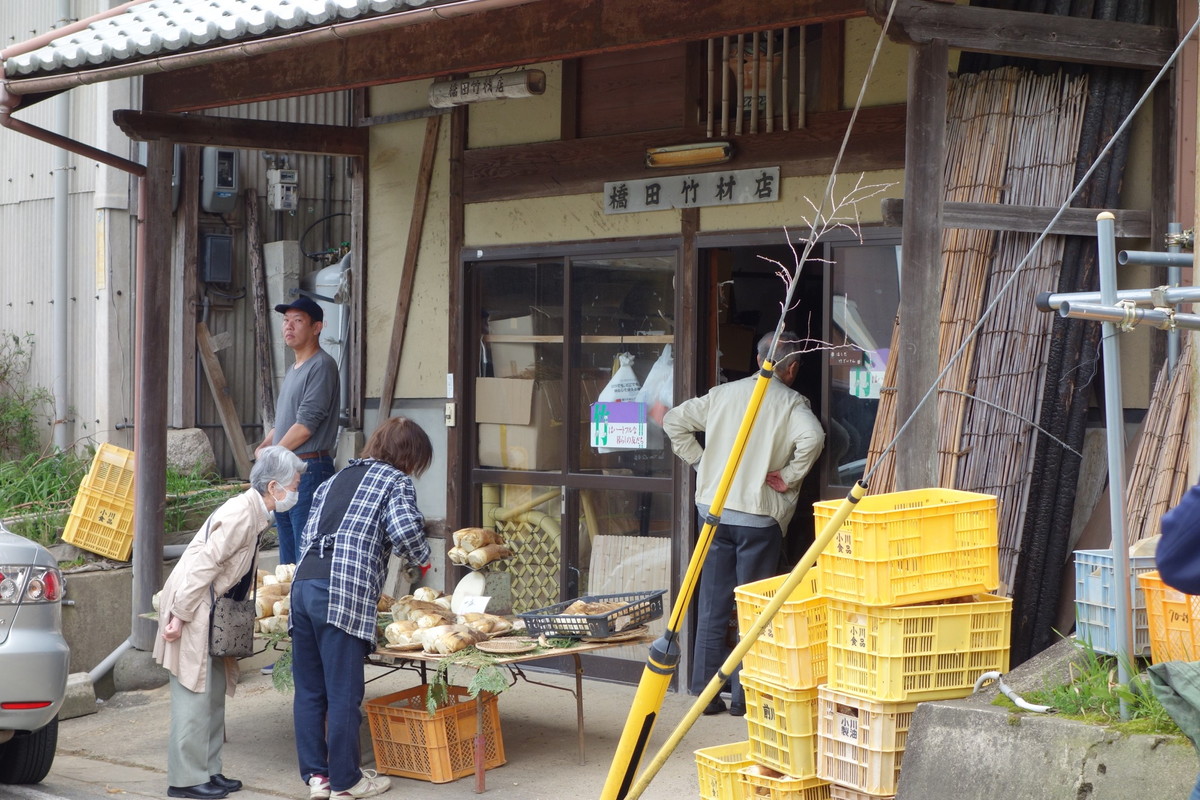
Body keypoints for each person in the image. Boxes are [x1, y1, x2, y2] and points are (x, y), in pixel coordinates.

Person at [662, 331, 824, 716]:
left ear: (757, 359)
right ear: (793, 368)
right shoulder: (791, 404)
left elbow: (673, 421)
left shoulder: (723, 395)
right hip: (759, 520)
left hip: (716, 514)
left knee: (713, 603)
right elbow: (814, 438)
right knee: (753, 609)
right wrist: (789, 475)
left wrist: (703, 464)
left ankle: (705, 693)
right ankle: (743, 697)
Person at [289, 416, 434, 800]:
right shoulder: (394, 480)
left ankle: (317, 779)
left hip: (302, 586)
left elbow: (307, 533)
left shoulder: (334, 479)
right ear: (409, 456)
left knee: (309, 690)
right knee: (342, 691)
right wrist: (423, 558)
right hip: (341, 590)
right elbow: (404, 531)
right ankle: (346, 782)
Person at [154, 446, 306, 800]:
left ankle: (209, 770)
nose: (296, 491)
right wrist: (178, 615)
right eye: (295, 484)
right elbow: (202, 565)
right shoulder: (241, 513)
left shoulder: (255, 511)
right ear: (274, 486)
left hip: (213, 608)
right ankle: (185, 781)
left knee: (214, 692)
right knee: (195, 693)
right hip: (193, 605)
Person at [255, 295, 340, 568]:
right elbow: (285, 422)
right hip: (285, 468)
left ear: (317, 327)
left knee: (306, 551)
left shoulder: (322, 365)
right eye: (285, 321)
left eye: (298, 321)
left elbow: (305, 427)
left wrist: (272, 455)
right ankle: (288, 608)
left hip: (308, 468)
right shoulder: (293, 369)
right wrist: (265, 444)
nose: (289, 327)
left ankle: (305, 609)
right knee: (287, 555)